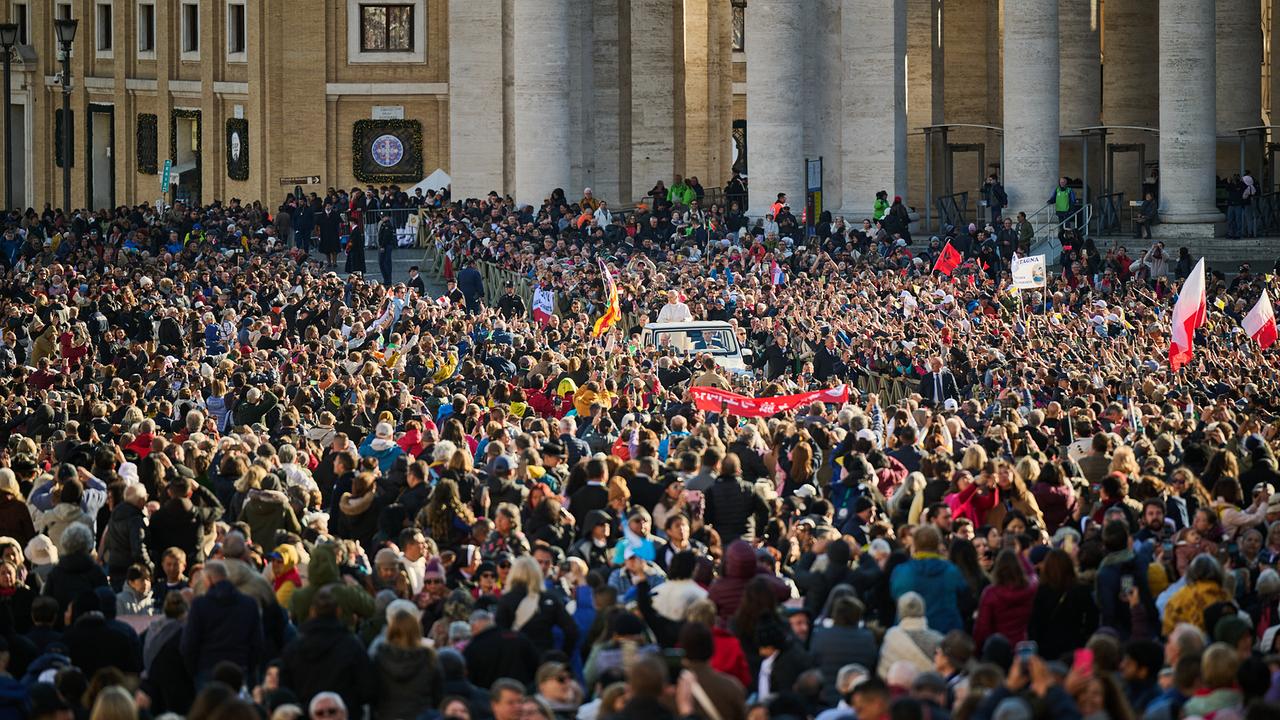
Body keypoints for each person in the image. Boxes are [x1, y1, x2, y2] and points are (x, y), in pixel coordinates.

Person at [181, 560, 265, 685]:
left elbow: (189, 643)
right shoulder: (249, 604)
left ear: (208, 580)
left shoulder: (200, 605)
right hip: (240, 667)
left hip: (207, 669)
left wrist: (195, 671)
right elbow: (257, 642)